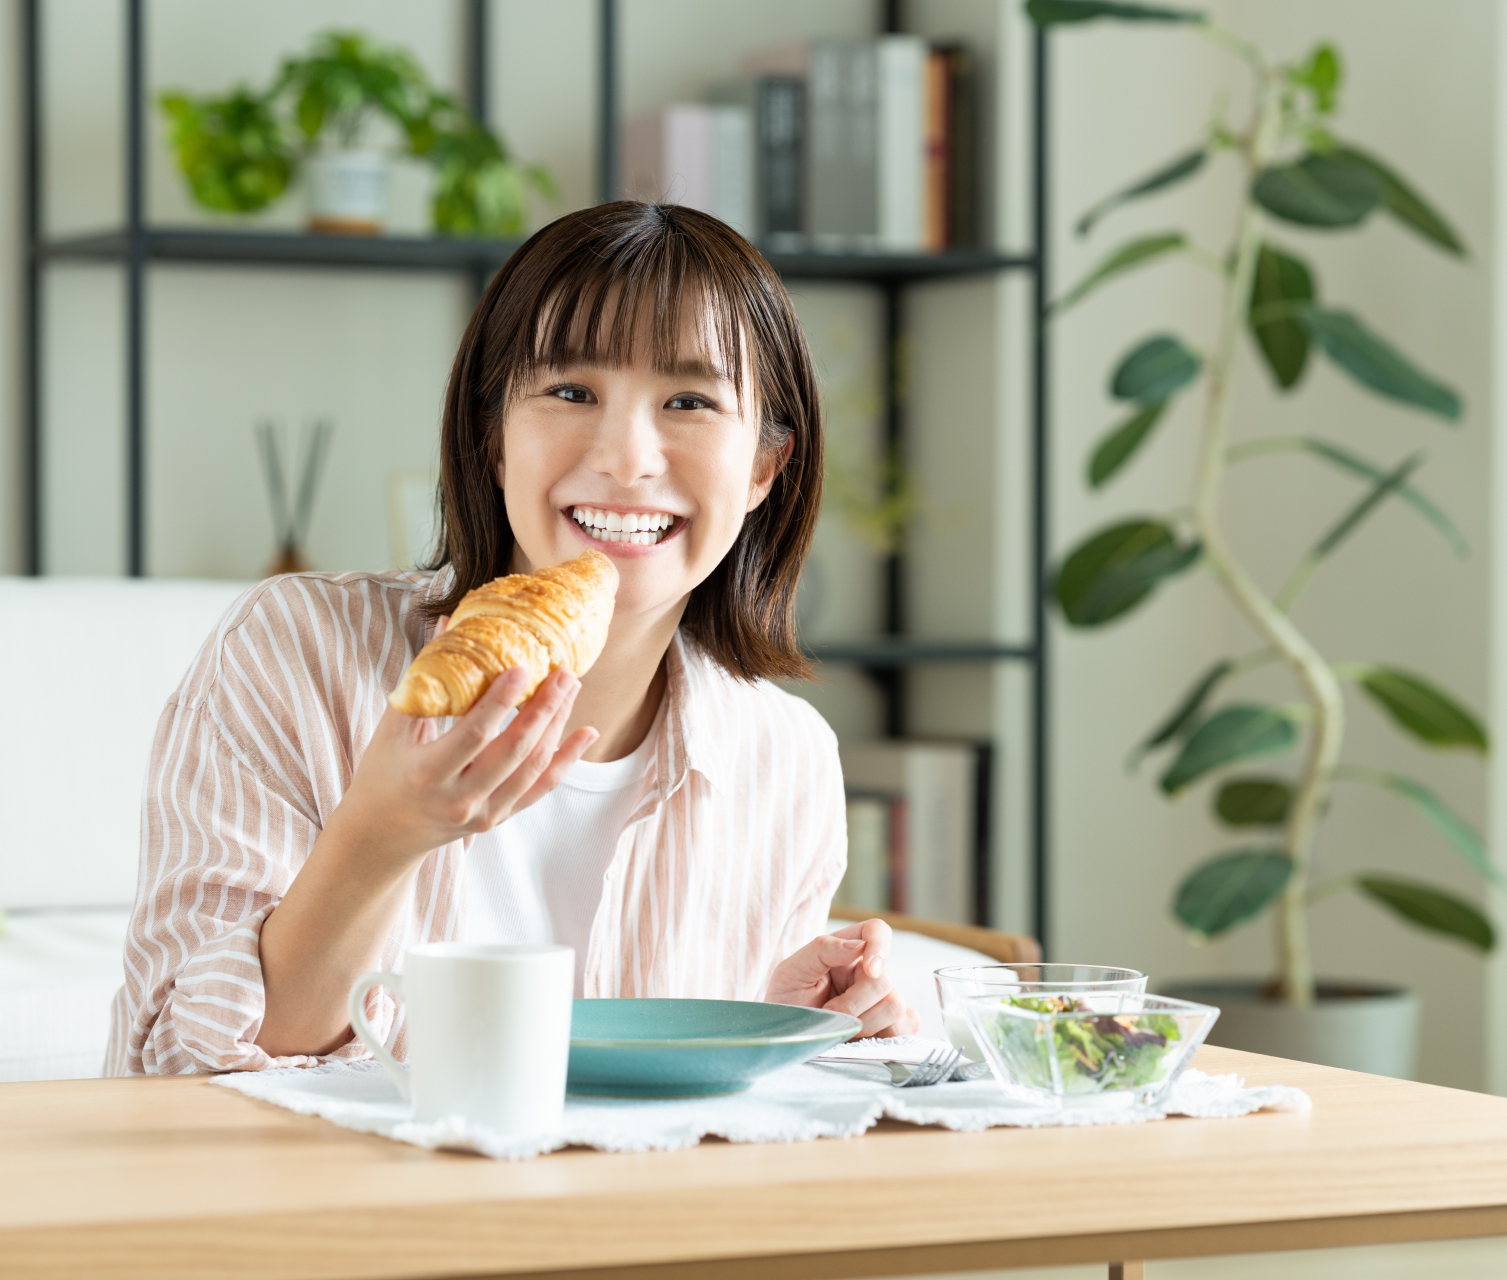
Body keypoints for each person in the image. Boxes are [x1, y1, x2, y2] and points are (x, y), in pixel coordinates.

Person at [108, 202, 917, 1075]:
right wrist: (381, 835)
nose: (626, 457)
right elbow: (181, 1075)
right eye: (571, 392)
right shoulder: (294, 652)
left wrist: (781, 1033)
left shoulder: (783, 760)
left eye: (689, 400)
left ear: (764, 468)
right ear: (494, 437)